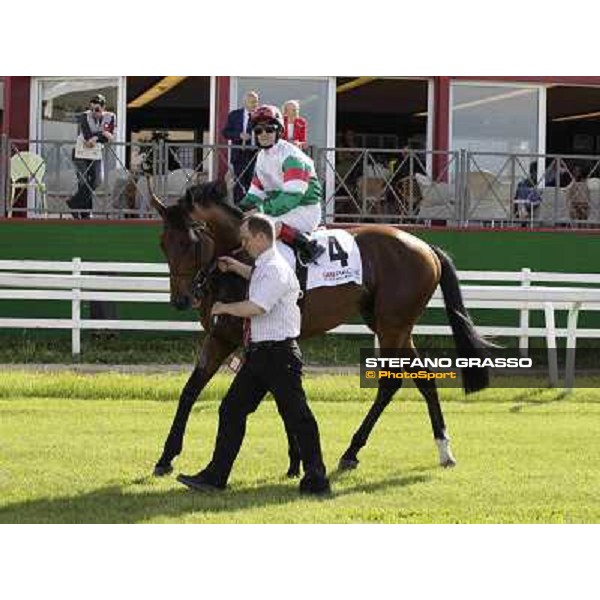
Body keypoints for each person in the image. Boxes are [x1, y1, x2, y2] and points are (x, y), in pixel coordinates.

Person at [177, 214, 330, 495]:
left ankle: (317, 478)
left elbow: (257, 306)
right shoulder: (264, 266)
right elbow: (257, 277)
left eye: (246, 239)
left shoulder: (275, 269)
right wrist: (236, 266)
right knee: (231, 409)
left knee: (298, 416)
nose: (243, 243)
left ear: (261, 238)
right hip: (261, 355)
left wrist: (224, 308)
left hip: (279, 356)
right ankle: (215, 477)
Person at [239, 104, 325, 265]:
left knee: (268, 226)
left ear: (279, 131)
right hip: (280, 208)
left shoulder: (292, 157)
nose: (263, 134)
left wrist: (260, 209)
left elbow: (291, 197)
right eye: (258, 130)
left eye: (269, 129)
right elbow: (256, 192)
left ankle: (309, 246)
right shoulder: (261, 157)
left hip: (304, 210)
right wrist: (238, 210)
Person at [67, 94, 116, 219]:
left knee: (97, 180)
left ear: (103, 108)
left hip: (95, 153)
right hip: (80, 154)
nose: (94, 112)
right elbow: (89, 137)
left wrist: (98, 136)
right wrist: (102, 134)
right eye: (92, 109)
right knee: (83, 182)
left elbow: (110, 136)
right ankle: (86, 213)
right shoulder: (84, 116)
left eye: (97, 109)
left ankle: (74, 203)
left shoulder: (110, 117)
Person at [222, 91, 260, 204]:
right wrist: (239, 135)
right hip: (239, 154)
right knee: (239, 184)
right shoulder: (234, 115)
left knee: (253, 184)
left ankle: (251, 209)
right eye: (252, 102)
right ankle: (239, 211)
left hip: (255, 155)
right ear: (245, 102)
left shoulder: (260, 116)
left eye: (256, 102)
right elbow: (225, 133)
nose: (255, 104)